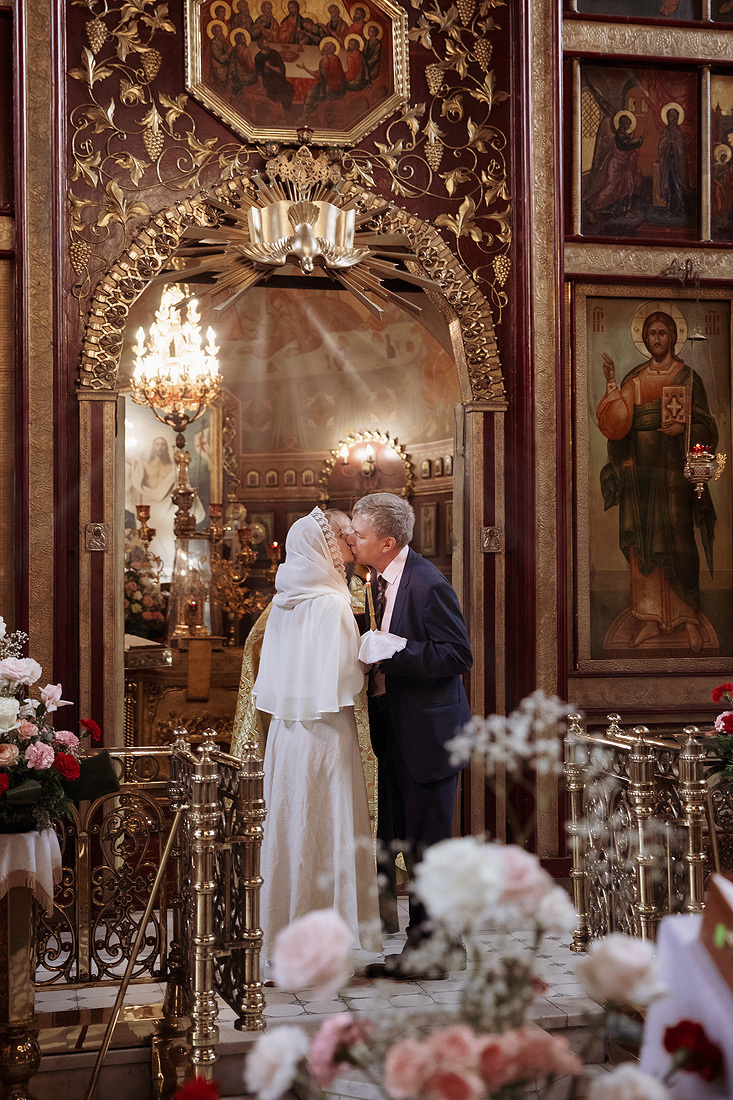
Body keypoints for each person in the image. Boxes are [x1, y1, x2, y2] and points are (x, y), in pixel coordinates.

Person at [347, 492, 472, 980]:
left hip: (431, 736)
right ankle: (437, 945)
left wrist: (398, 650)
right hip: (397, 732)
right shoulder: (376, 579)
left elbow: (456, 655)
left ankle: (435, 953)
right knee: (412, 846)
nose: (352, 541)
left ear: (387, 540)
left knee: (430, 847)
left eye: (358, 534)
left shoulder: (426, 582)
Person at [253, 507, 381, 961]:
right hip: (326, 732)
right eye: (342, 542)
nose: (348, 551)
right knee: (328, 825)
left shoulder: (284, 602)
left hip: (287, 735)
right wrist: (372, 653)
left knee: (291, 826)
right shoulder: (332, 603)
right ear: (324, 548)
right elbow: (348, 680)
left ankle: (281, 933)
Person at [597, 309, 717, 654]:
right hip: (640, 475)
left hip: (673, 472)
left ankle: (688, 618)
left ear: (673, 337)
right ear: (645, 339)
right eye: (651, 334)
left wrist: (685, 429)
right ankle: (650, 617)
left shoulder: (687, 377)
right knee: (644, 545)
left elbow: (708, 425)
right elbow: (618, 425)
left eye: (663, 333)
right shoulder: (634, 378)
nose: (656, 340)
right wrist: (610, 382)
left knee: (680, 539)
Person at [658, 107, 688, 218]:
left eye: (673, 115)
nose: (671, 117)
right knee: (668, 185)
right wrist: (666, 144)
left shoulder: (679, 132)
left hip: (677, 165)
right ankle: (668, 209)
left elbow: (681, 148)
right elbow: (661, 145)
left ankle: (683, 208)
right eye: (669, 115)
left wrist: (674, 144)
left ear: (677, 117)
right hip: (668, 164)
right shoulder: (666, 130)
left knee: (678, 185)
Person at [301, 39, 345, 112]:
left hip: (330, 90)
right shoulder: (336, 58)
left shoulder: (324, 60)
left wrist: (304, 68)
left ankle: (306, 114)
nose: (322, 48)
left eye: (325, 47)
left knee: (310, 93)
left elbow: (321, 78)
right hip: (340, 88)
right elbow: (330, 72)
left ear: (329, 50)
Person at [255, 33, 295, 112]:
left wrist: (270, 66)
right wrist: (261, 86)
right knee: (279, 90)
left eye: (267, 42)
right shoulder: (258, 57)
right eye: (266, 43)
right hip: (268, 80)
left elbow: (280, 69)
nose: (268, 44)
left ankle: (287, 109)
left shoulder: (274, 53)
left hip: (278, 78)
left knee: (290, 87)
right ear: (261, 46)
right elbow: (259, 72)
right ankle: (280, 110)